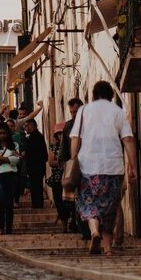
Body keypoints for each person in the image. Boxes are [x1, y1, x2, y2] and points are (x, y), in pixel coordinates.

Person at [71, 81, 137, 256]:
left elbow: (75, 138)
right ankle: (108, 248)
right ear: (111, 95)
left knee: (89, 202)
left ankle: (94, 232)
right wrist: (133, 166)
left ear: (93, 95)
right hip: (113, 167)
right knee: (109, 209)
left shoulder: (84, 111)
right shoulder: (118, 111)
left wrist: (73, 159)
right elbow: (128, 139)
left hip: (88, 166)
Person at [57, 97, 84, 237]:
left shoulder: (89, 123)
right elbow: (63, 148)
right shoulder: (68, 126)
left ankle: (84, 225)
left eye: (76, 112)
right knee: (72, 198)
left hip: (89, 165)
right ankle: (76, 222)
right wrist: (65, 166)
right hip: (73, 167)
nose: (74, 115)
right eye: (72, 112)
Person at [0, 122, 21, 235]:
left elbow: (17, 160)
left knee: (9, 202)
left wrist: (1, 158)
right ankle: (1, 227)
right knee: (1, 200)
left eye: (4, 133)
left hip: (11, 175)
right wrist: (9, 158)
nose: (2, 135)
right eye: (0, 133)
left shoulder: (14, 145)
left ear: (8, 133)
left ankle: (9, 229)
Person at [22, 118, 49, 209]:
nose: (25, 128)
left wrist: (26, 154)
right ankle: (37, 204)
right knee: (36, 186)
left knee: (36, 187)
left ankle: (37, 205)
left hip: (35, 167)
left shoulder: (35, 137)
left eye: (26, 126)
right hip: (37, 167)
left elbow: (34, 152)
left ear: (31, 125)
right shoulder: (37, 136)